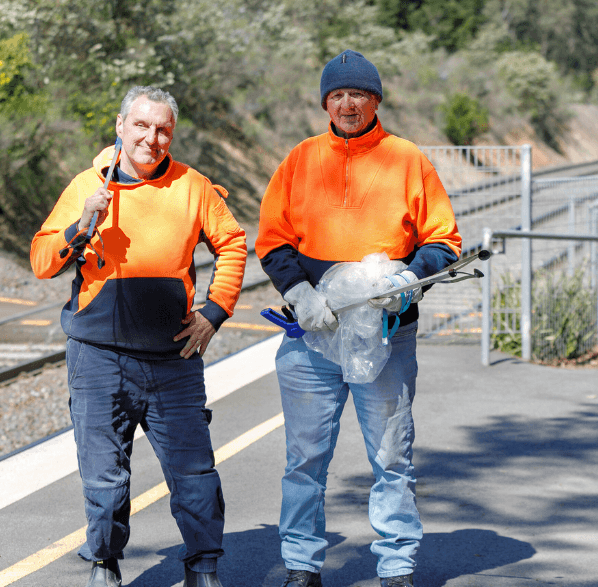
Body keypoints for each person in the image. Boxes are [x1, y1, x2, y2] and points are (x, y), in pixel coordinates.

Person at [256, 50, 462, 587]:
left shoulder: (407, 159)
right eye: (338, 95)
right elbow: (273, 240)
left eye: (359, 94)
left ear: (376, 100)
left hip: (389, 336)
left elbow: (444, 239)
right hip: (312, 335)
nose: (348, 104)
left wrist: (404, 282)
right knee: (304, 459)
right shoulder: (300, 160)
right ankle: (301, 564)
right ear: (326, 101)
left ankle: (397, 567)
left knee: (392, 456)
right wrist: (300, 293)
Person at [31, 86, 247, 587]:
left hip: (173, 361)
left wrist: (214, 312)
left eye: (163, 129)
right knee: (105, 481)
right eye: (143, 126)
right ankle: (104, 561)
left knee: (194, 476)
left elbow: (234, 244)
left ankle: (204, 567)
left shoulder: (193, 186)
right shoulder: (87, 185)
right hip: (98, 359)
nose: (153, 138)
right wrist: (81, 224)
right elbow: (42, 261)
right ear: (121, 126)